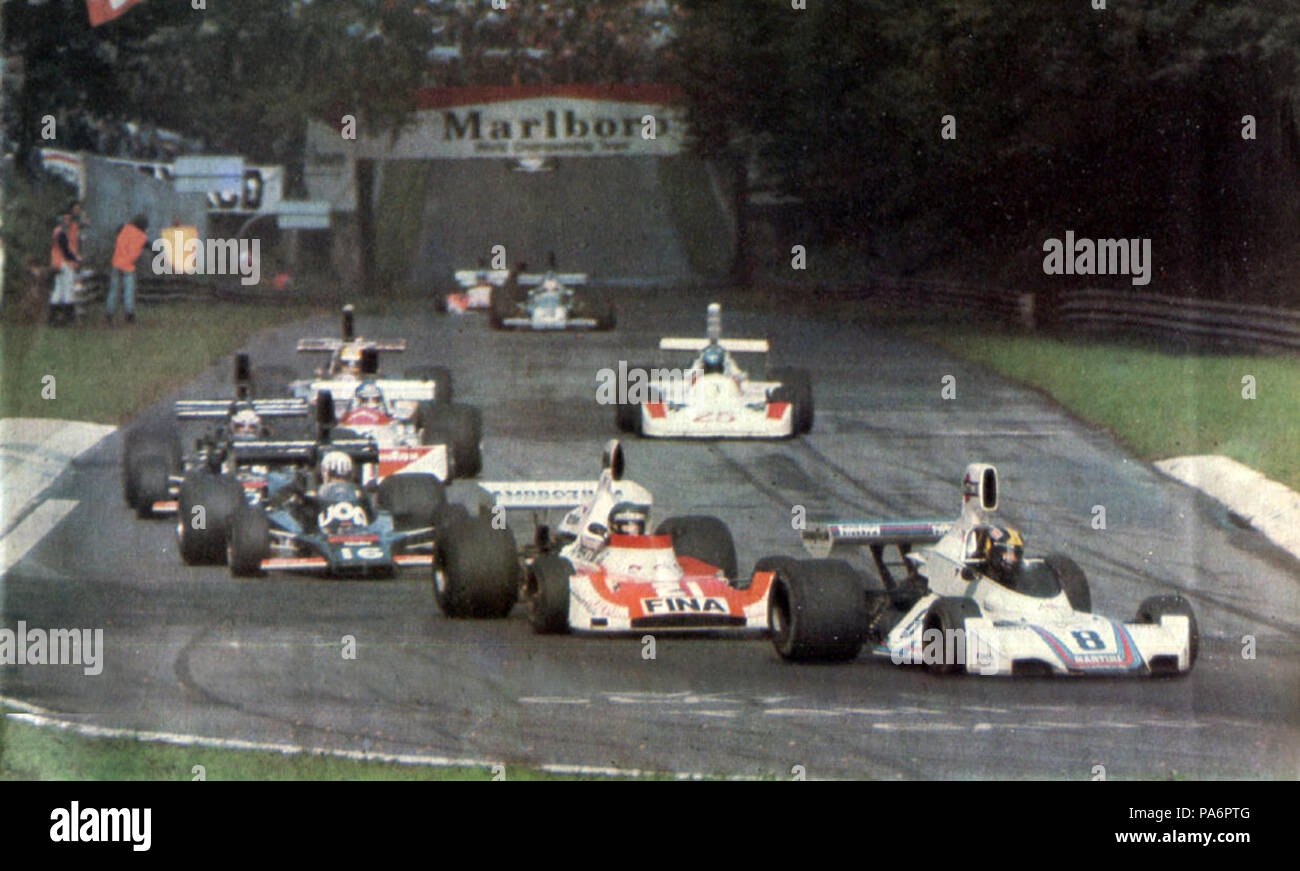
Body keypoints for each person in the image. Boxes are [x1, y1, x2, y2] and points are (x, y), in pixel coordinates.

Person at [107, 214, 149, 324]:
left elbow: (117, 236)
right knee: (128, 291)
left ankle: (109, 313)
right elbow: (152, 247)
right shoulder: (142, 237)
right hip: (128, 267)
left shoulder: (124, 228)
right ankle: (129, 314)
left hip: (116, 263)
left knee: (113, 290)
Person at [48, 209, 80, 326]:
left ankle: (53, 317)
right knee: (68, 289)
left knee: (57, 290)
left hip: (56, 263)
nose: (68, 221)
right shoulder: (61, 233)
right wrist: (75, 259)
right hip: (63, 263)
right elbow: (66, 251)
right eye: (65, 219)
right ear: (61, 220)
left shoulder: (56, 231)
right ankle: (68, 317)